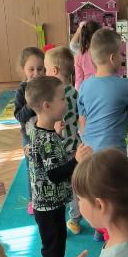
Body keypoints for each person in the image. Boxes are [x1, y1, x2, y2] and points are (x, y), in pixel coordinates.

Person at [25, 75, 92, 257]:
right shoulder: (47, 139)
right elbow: (54, 174)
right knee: (53, 248)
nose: (66, 102)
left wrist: (58, 135)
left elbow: (44, 160)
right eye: (62, 99)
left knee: (56, 243)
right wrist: (77, 161)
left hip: (49, 202)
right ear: (47, 105)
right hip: (48, 204)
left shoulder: (41, 130)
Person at [78, 28, 128, 241]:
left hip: (89, 150)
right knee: (116, 191)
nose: (122, 58)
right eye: (121, 54)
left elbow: (82, 119)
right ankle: (114, 229)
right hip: (113, 152)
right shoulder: (125, 85)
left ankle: (99, 225)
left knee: (97, 187)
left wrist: (86, 140)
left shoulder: (85, 86)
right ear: (112, 58)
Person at [44, 46, 82, 235]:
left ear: (54, 71)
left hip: (62, 146)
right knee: (78, 182)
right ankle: (79, 216)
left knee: (67, 184)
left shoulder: (54, 95)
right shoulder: (75, 92)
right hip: (77, 144)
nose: (45, 73)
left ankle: (74, 219)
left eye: (46, 69)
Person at [13, 46, 45, 215]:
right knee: (31, 169)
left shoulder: (47, 86)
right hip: (29, 137)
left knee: (48, 165)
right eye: (31, 69)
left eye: (40, 69)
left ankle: (49, 194)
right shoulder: (21, 91)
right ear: (23, 70)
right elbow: (19, 116)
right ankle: (33, 199)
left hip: (47, 135)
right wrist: (31, 103)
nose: (36, 73)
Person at [74, 20, 101, 90]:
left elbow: (78, 79)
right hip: (102, 87)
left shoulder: (80, 55)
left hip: (86, 89)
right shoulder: (104, 52)